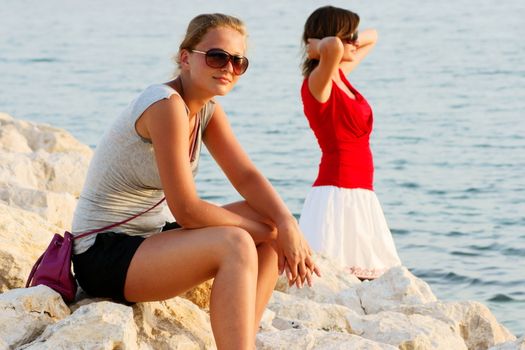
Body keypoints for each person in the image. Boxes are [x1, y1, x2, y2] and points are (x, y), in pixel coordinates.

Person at [71, 13, 319, 349]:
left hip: (148, 239)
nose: (228, 68)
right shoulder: (165, 105)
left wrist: (286, 223)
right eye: (217, 56)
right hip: (103, 252)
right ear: (186, 58)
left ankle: (240, 340)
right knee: (239, 241)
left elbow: (246, 176)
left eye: (238, 61)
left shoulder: (207, 111)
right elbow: (187, 210)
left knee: (267, 215)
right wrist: (271, 233)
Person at [298, 6, 401, 280]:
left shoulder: (341, 75)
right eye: (349, 36)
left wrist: (343, 41)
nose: (356, 41)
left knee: (369, 277)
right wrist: (321, 46)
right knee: (340, 277)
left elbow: (373, 36)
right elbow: (332, 46)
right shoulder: (318, 82)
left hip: (362, 192)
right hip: (337, 192)